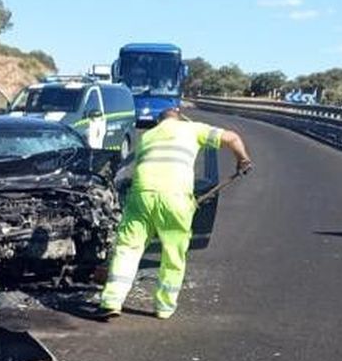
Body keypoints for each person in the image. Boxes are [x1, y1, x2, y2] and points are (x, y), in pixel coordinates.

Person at [98, 106, 251, 319]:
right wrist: (243, 159)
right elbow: (232, 138)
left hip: (141, 195)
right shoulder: (192, 129)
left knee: (128, 248)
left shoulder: (148, 136)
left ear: (159, 122)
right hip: (175, 197)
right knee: (172, 253)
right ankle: (164, 307)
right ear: (180, 118)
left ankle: (111, 300)